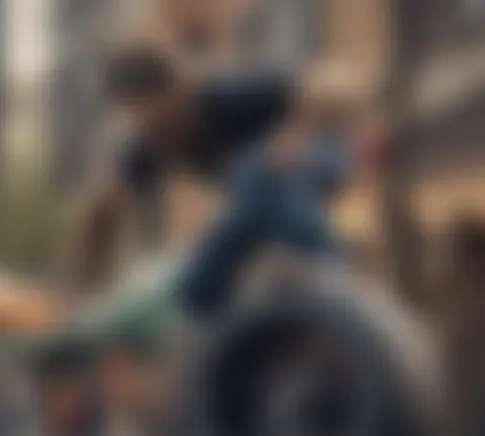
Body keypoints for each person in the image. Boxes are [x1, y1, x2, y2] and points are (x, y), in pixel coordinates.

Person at [64, 41, 375, 319]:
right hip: (260, 202)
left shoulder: (223, 95)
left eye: (149, 106)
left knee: (252, 170)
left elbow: (331, 84)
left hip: (321, 157)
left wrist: (296, 133)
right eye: (134, 111)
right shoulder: (150, 143)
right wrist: (79, 284)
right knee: (195, 288)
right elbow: (104, 206)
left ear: (171, 88)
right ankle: (242, 333)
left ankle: (332, 269)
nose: (147, 120)